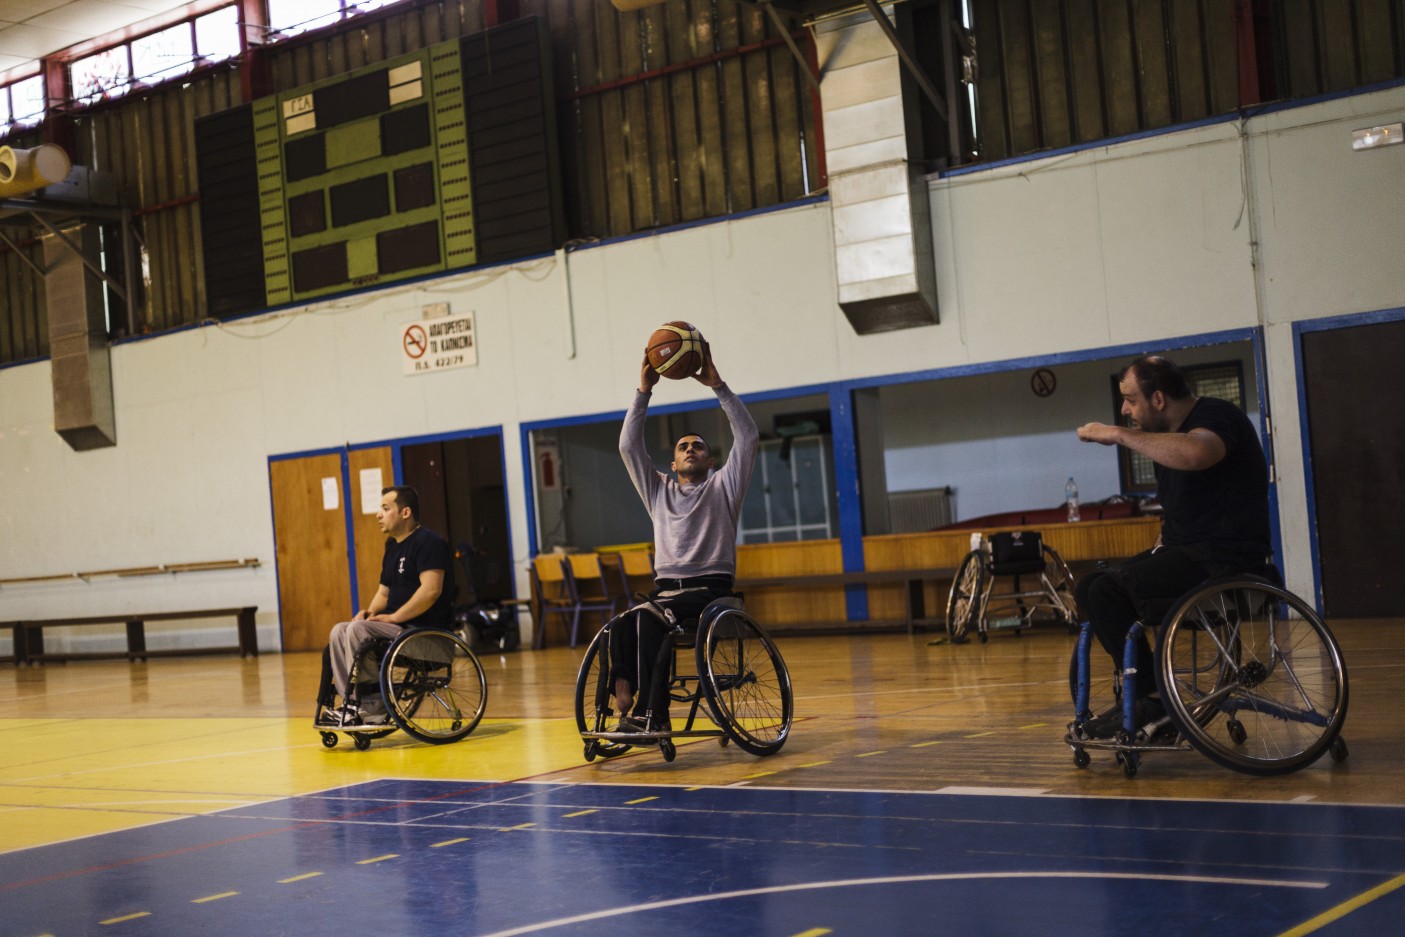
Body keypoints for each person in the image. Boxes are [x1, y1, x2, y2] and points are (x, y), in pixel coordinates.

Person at [1074, 355, 1270, 737]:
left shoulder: (1216, 416)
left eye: (1130, 400)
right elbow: (1186, 510)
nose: (1125, 409)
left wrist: (1118, 434)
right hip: (1189, 555)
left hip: (1225, 561)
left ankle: (1152, 700)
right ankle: (1145, 692)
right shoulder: (1164, 441)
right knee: (1090, 586)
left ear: (1159, 399)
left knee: (1111, 591)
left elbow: (1197, 452)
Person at [611, 341, 759, 731]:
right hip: (665, 590)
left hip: (710, 592)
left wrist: (718, 385)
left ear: (711, 461)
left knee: (652, 619)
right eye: (683, 446)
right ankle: (622, 693)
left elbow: (747, 438)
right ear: (672, 463)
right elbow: (628, 446)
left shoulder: (725, 487)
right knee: (623, 623)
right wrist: (644, 391)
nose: (690, 448)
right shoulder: (658, 490)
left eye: (698, 446)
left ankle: (652, 715)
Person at [316, 485, 455, 726]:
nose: (378, 514)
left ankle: (375, 705)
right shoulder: (392, 547)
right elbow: (384, 592)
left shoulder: (429, 542)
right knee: (341, 629)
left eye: (385, 508)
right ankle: (350, 702)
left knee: (358, 631)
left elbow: (431, 591)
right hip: (398, 631)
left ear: (405, 512)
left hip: (424, 634)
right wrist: (369, 613)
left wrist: (393, 617)